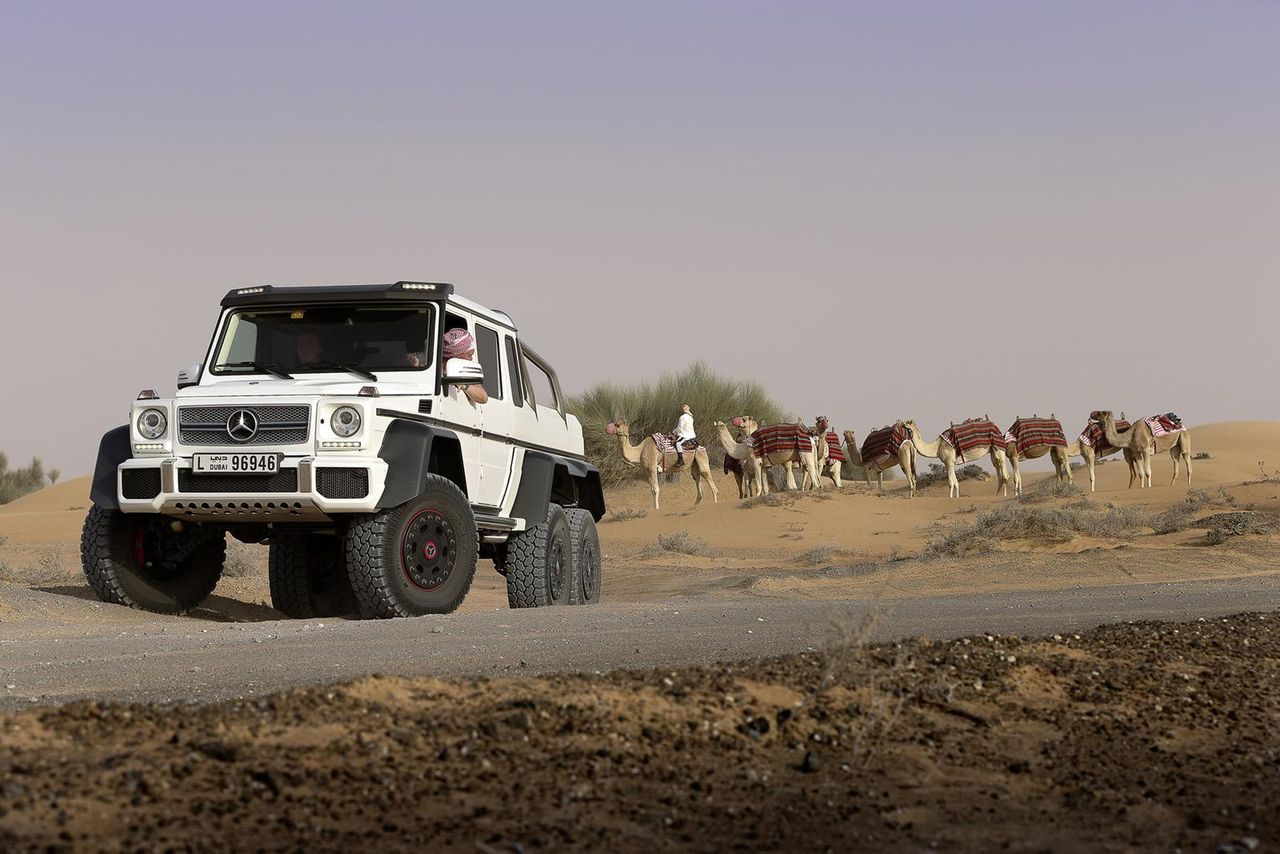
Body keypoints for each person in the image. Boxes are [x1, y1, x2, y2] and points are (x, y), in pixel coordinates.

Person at [443, 328, 488, 404]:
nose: (471, 358)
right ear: (457, 355)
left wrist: (464, 385)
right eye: (469, 355)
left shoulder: (464, 370)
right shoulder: (433, 365)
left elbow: (483, 397)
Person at [672, 403, 696, 467]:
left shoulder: (682, 417)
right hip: (692, 435)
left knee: (678, 443)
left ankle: (681, 460)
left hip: (685, 435)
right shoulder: (691, 417)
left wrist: (673, 432)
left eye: (685, 407)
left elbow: (680, 428)